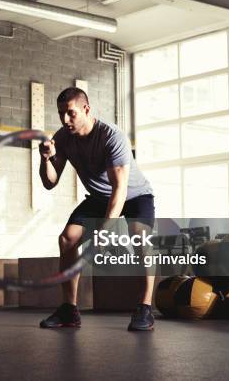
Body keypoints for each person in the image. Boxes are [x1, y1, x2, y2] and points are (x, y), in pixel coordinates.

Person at [38, 87, 156, 331]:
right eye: (61, 113)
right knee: (67, 239)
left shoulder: (111, 136)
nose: (65, 119)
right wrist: (46, 159)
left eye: (70, 113)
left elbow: (119, 189)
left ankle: (145, 308)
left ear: (86, 109)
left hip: (134, 195)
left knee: (140, 238)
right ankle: (69, 310)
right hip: (99, 197)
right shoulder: (62, 137)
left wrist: (105, 231)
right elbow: (50, 182)